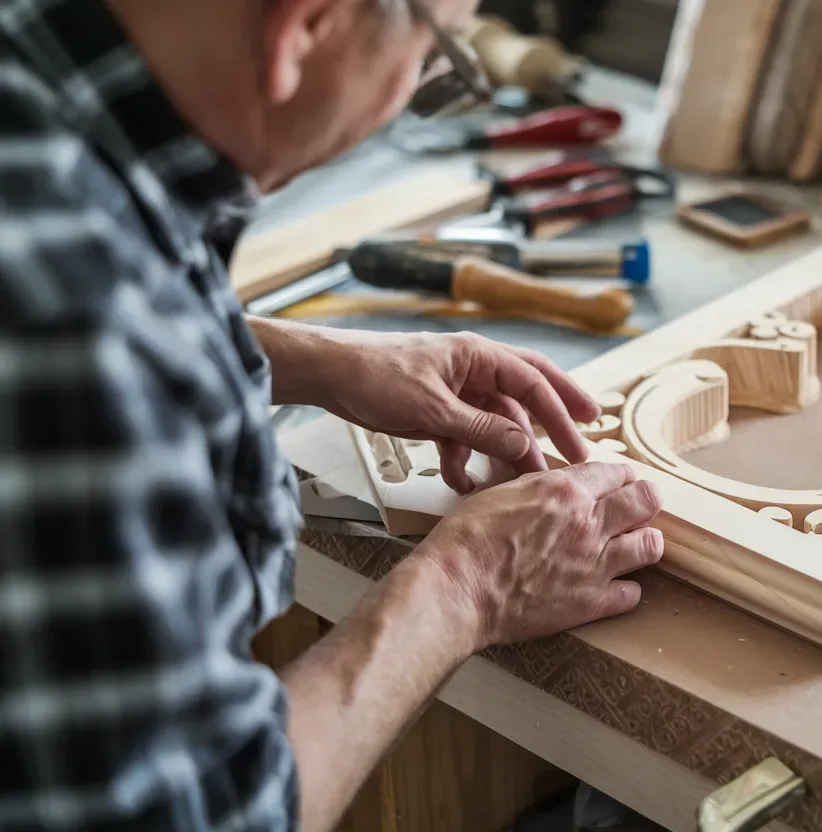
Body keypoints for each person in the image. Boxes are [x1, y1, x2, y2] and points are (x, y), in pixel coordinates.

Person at [0, 1, 664, 830]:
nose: (414, 90)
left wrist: (321, 361)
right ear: (306, 25)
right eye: (438, 53)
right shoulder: (80, 328)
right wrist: (468, 585)